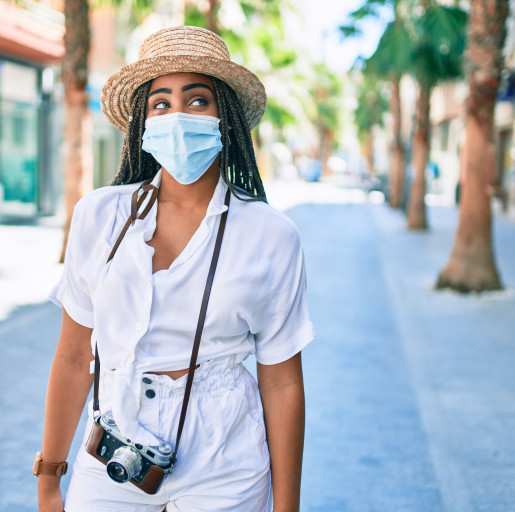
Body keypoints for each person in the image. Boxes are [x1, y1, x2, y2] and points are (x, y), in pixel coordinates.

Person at [36, 26, 314, 512]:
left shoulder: (271, 234)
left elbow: (283, 379)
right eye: (161, 103)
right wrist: (49, 478)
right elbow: (75, 356)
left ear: (225, 117)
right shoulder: (99, 216)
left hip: (225, 454)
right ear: (143, 123)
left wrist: (286, 507)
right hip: (112, 450)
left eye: (198, 100)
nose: (178, 115)